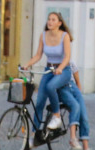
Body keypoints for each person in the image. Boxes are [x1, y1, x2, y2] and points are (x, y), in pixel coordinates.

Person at [21, 12, 72, 141]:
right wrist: (26, 65)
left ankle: (57, 116)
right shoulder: (43, 35)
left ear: (59, 23)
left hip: (63, 70)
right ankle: (34, 135)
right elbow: (38, 55)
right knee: (39, 103)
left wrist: (60, 68)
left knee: (50, 86)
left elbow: (67, 57)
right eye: (49, 19)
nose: (50, 22)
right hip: (48, 70)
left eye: (53, 20)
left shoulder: (64, 36)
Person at [60, 65, 95, 150]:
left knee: (84, 116)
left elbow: (75, 72)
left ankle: (86, 148)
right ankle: (72, 138)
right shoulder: (54, 59)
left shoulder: (69, 59)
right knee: (75, 106)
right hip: (63, 87)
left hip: (73, 87)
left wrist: (78, 90)